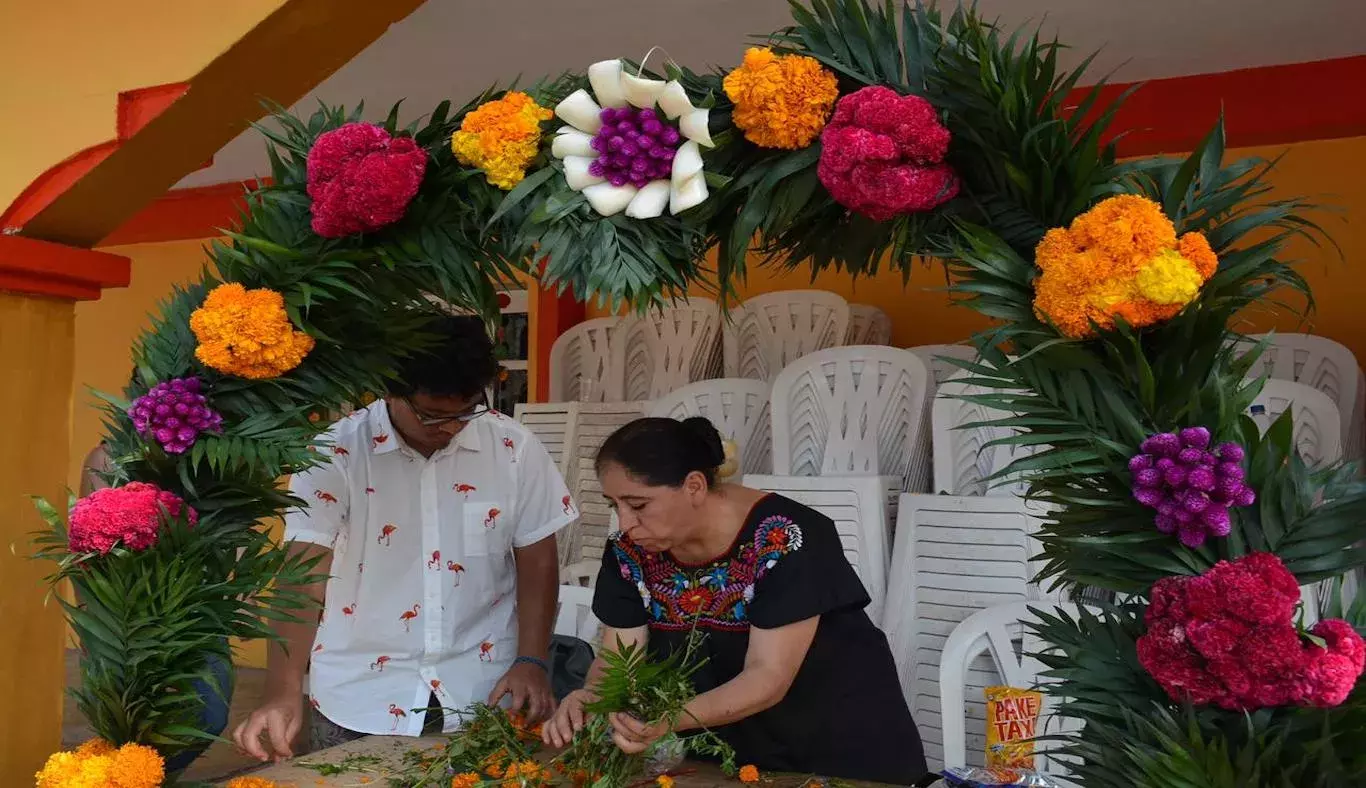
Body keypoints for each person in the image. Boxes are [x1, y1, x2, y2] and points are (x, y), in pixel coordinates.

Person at [234, 315, 578, 761]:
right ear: (389, 391)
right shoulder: (335, 454)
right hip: (359, 697)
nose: (453, 427)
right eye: (433, 415)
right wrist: (280, 690)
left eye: (467, 410)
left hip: (485, 691)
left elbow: (538, 561)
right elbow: (302, 579)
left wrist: (532, 660)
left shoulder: (514, 449)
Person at [543, 417, 929, 785]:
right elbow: (619, 661)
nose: (625, 523)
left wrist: (670, 718)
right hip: (728, 758)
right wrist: (590, 698)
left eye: (639, 505)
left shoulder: (785, 537)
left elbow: (767, 676)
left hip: (837, 752)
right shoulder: (629, 552)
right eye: (615, 506)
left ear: (694, 486)